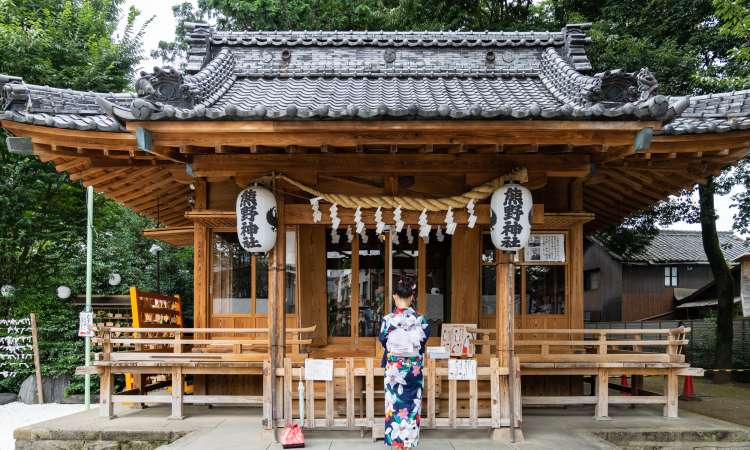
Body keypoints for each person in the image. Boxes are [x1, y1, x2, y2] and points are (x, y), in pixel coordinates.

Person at [379, 279, 429, 448]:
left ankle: (395, 442)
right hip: (414, 371)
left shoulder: (388, 320)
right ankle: (409, 443)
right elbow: (422, 344)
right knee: (412, 406)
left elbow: (384, 341)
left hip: (394, 370)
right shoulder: (421, 320)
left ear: (394, 296)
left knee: (393, 405)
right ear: (412, 297)